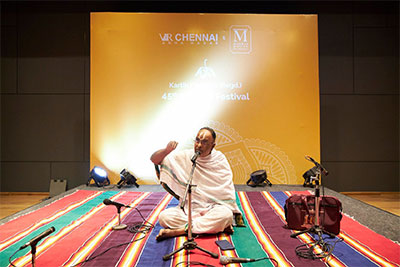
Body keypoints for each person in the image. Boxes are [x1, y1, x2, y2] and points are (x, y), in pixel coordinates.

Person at [150, 127, 241, 241]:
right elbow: (154, 159)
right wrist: (166, 151)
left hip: (213, 208)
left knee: (226, 215)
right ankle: (210, 228)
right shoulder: (186, 156)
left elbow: (225, 190)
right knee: (164, 217)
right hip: (189, 210)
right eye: (197, 140)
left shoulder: (219, 160)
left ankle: (180, 231)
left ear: (212, 146)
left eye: (204, 142)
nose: (199, 145)